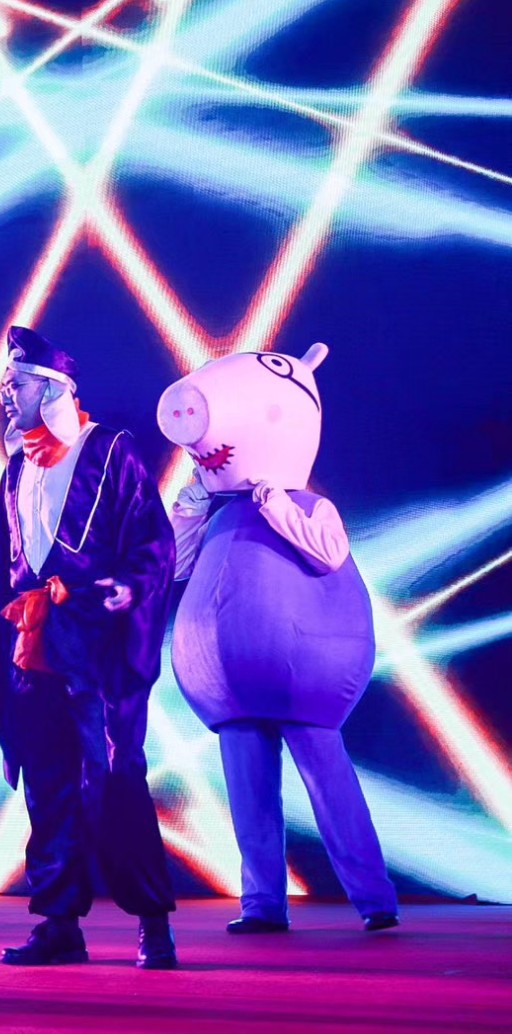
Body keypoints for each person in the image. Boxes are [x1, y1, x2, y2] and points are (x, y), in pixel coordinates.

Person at [0, 327, 178, 969]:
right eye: (5, 385)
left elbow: (153, 541)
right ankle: (60, 923)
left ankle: (152, 922)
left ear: (54, 387)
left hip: (97, 646)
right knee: (47, 783)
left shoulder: (111, 451)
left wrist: (130, 586)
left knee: (114, 779)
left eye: (16, 384)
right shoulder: (14, 470)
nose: (4, 395)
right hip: (33, 648)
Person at [158, 343, 398, 934]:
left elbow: (327, 552)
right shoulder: (220, 515)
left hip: (304, 674)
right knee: (248, 793)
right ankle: (261, 902)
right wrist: (189, 511)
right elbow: (176, 567)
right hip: (228, 682)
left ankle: (374, 898)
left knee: (328, 782)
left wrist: (274, 502)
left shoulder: (311, 506)